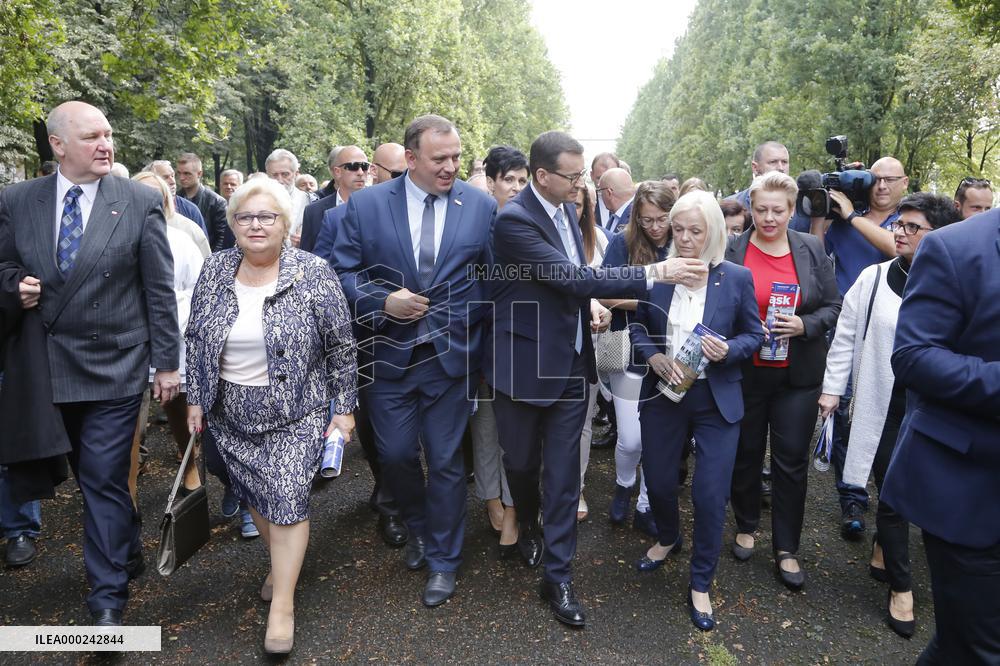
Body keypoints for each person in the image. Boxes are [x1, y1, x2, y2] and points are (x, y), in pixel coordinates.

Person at [486, 130, 708, 627]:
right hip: (521, 365)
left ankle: (559, 577)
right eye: (572, 175)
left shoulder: (567, 208)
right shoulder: (514, 220)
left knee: (565, 474)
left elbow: (571, 284)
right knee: (522, 465)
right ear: (542, 176)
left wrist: (589, 308)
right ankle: (528, 522)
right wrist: (657, 273)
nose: (580, 184)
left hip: (571, 363)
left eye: (582, 174)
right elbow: (570, 278)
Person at [0, 101, 180, 626]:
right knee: (86, 475)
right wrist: (14, 286)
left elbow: (159, 289)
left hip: (115, 366)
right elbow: (4, 263)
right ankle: (124, 544)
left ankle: (106, 602)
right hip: (44, 368)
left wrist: (166, 364)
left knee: (102, 477)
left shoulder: (139, 199)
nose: (106, 145)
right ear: (57, 145)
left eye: (108, 134)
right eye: (91, 137)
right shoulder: (17, 199)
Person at [185, 177, 357, 654]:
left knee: (286, 497)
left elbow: (341, 346)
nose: (256, 225)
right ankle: (283, 564)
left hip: (295, 410)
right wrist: (196, 400)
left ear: (286, 225)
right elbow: (198, 338)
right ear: (232, 223)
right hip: (230, 411)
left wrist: (344, 409)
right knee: (257, 495)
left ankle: (282, 603)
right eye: (245, 217)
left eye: (267, 217)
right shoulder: (216, 269)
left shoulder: (313, 272)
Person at [331, 114, 496, 608]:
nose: (450, 168)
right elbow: (341, 273)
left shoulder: (480, 206)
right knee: (397, 455)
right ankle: (420, 528)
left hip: (452, 359)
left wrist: (474, 331)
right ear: (410, 159)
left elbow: (491, 280)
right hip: (387, 355)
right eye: (439, 159)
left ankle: (445, 560)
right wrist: (382, 301)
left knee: (446, 461)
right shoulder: (365, 206)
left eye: (456, 158)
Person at [819, 192, 961, 639]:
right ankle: (902, 587)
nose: (899, 232)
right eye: (899, 224)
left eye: (912, 227)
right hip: (884, 408)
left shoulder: (956, 283)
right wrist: (831, 391)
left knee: (924, 493)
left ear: (939, 236)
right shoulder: (874, 278)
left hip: (936, 410)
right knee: (894, 493)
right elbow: (844, 336)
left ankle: (884, 543)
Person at [631, 190, 763, 631]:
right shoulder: (660, 274)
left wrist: (729, 349)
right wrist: (651, 356)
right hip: (665, 395)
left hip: (715, 399)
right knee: (661, 482)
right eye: (679, 229)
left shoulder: (736, 278)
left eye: (695, 231)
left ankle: (701, 580)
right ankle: (668, 537)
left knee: (709, 494)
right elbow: (634, 323)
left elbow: (755, 334)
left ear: (714, 233)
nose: (684, 239)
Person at [880, 203, 1000, 663]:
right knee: (982, 648)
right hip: (971, 491)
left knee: (960, 646)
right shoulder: (954, 248)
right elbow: (913, 356)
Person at [726, 172, 841, 590]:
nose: (769, 218)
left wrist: (803, 324)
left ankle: (786, 547)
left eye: (778, 210)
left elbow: (833, 306)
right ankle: (745, 522)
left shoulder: (811, 248)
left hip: (797, 376)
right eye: (761, 210)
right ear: (750, 208)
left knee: (790, 461)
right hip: (746, 371)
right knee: (746, 451)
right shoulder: (733, 250)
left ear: (792, 211)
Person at [811, 156, 908, 539]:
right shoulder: (845, 218)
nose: (882, 186)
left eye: (890, 179)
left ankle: (890, 498)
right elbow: (816, 255)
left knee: (888, 416)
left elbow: (895, 249)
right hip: (846, 328)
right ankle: (851, 496)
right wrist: (821, 211)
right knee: (842, 411)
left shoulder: (908, 222)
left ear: (904, 183)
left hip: (890, 333)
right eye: (875, 178)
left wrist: (851, 216)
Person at [599, 182, 677, 534]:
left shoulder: (684, 240)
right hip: (630, 349)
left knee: (658, 440)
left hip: (673, 351)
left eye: (662, 219)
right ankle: (624, 484)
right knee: (631, 438)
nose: (656, 228)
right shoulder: (623, 242)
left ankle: (646, 503)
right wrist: (654, 295)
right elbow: (602, 293)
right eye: (647, 221)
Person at [131, 171, 205, 495]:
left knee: (177, 405)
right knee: (127, 416)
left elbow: (199, 287)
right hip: (129, 337)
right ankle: (127, 483)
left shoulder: (181, 239)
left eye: (155, 196)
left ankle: (189, 462)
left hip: (174, 333)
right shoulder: (114, 239)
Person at [472, 145, 528, 554]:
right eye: (509, 179)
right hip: (481, 343)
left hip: (524, 344)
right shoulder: (475, 226)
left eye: (523, 180)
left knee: (518, 434)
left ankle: (512, 506)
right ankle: (491, 497)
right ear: (490, 182)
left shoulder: (532, 225)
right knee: (486, 428)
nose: (516, 187)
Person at [575, 181, 613, 522]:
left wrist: (604, 307)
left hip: (592, 345)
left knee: (583, 420)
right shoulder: (534, 238)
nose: (572, 210)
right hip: (546, 349)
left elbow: (608, 286)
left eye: (579, 205)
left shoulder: (599, 240)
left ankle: (576, 487)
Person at [299, 145, 368, 253]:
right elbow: (306, 257)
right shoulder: (313, 212)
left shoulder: (380, 206)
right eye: (353, 166)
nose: (360, 172)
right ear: (337, 172)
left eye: (364, 167)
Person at [177, 152, 232, 251]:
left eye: (186, 173)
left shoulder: (216, 202)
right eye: (179, 173)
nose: (181, 178)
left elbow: (222, 238)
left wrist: (211, 261)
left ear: (199, 174)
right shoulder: (174, 199)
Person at [146, 160, 210, 239]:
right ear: (152, 181)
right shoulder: (142, 208)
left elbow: (202, 243)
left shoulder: (191, 210)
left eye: (172, 176)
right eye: (165, 177)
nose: (173, 181)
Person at [264, 149, 312, 244]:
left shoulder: (309, 201)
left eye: (285, 174)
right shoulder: (255, 202)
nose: (280, 180)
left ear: (296, 174)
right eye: (274, 175)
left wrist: (305, 240)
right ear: (267, 175)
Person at [597, 168, 635, 234]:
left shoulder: (637, 216)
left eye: (600, 191)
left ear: (609, 193)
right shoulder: (615, 216)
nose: (600, 196)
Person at [591, 152, 621, 228]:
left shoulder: (631, 205)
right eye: (599, 178)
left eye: (610, 178)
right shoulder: (583, 204)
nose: (604, 184)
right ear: (592, 175)